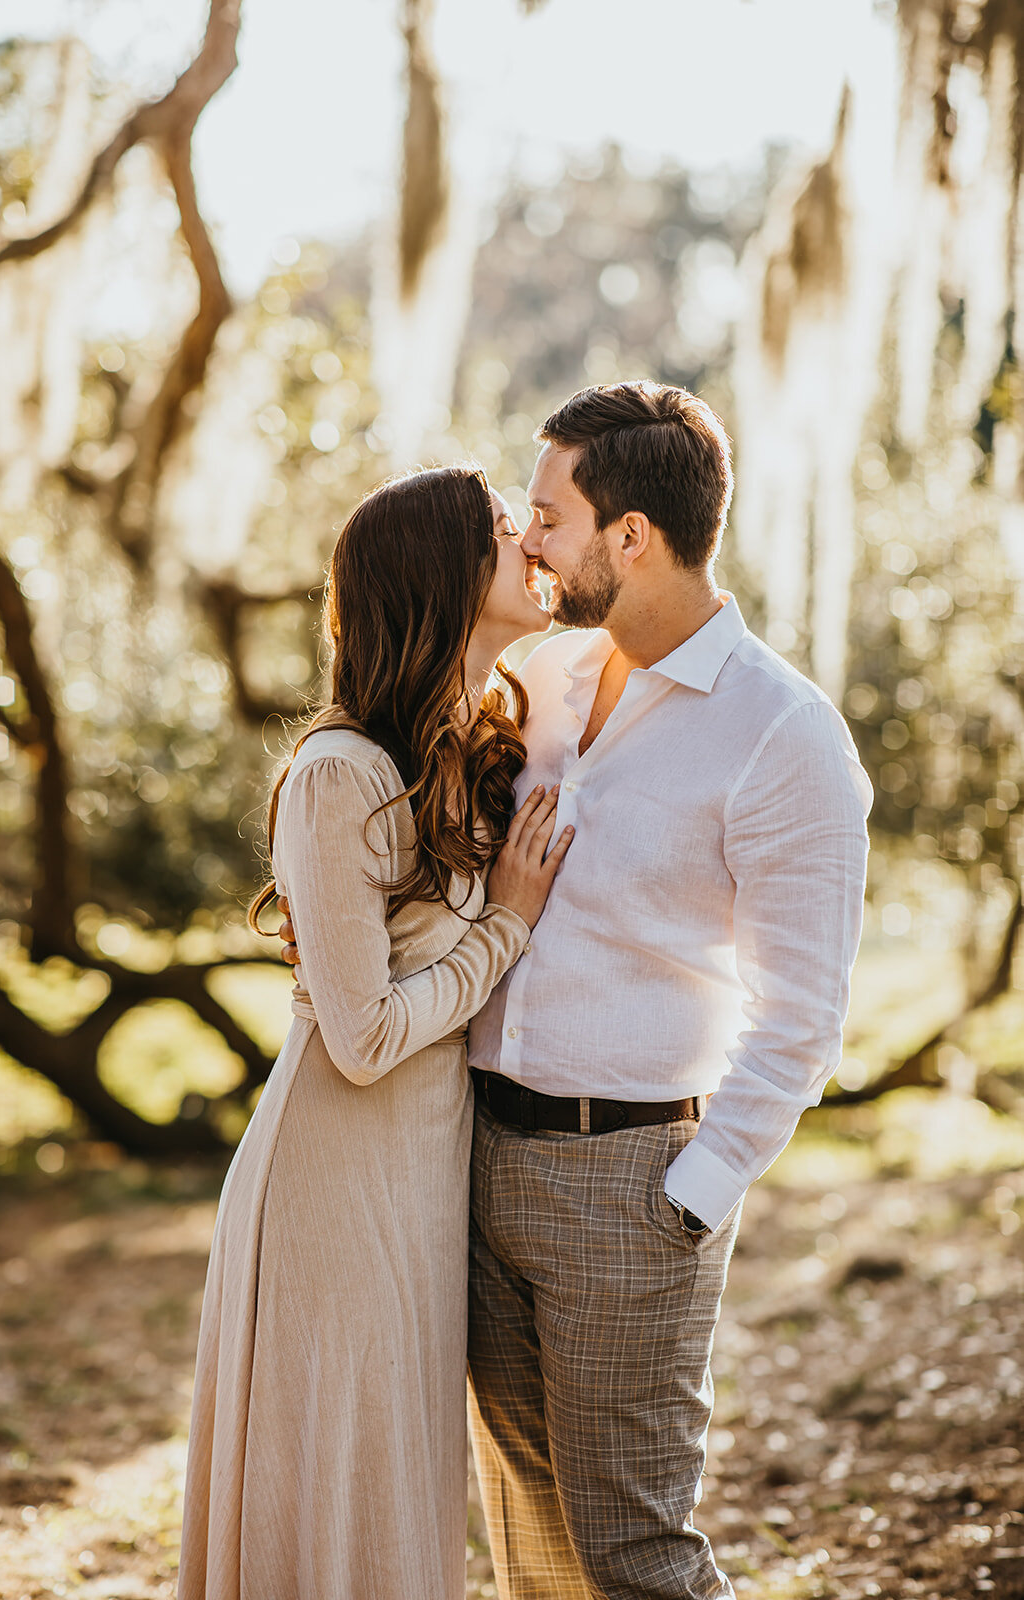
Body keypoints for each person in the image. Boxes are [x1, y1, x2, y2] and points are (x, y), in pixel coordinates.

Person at [277, 380, 872, 1600]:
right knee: (534, 1552)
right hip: (475, 1157)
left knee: (637, 1555)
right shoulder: (539, 679)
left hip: (629, 1181)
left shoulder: (782, 734)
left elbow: (803, 1017)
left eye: (544, 514)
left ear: (630, 536)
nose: (526, 538)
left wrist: (688, 1199)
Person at [177, 465, 573, 1600]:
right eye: (507, 530)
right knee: (337, 1470)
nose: (532, 547)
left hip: (421, 1171)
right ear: (443, 572)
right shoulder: (340, 771)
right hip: (330, 1179)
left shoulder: (472, 741)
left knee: (398, 1469)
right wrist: (503, 921)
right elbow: (360, 1037)